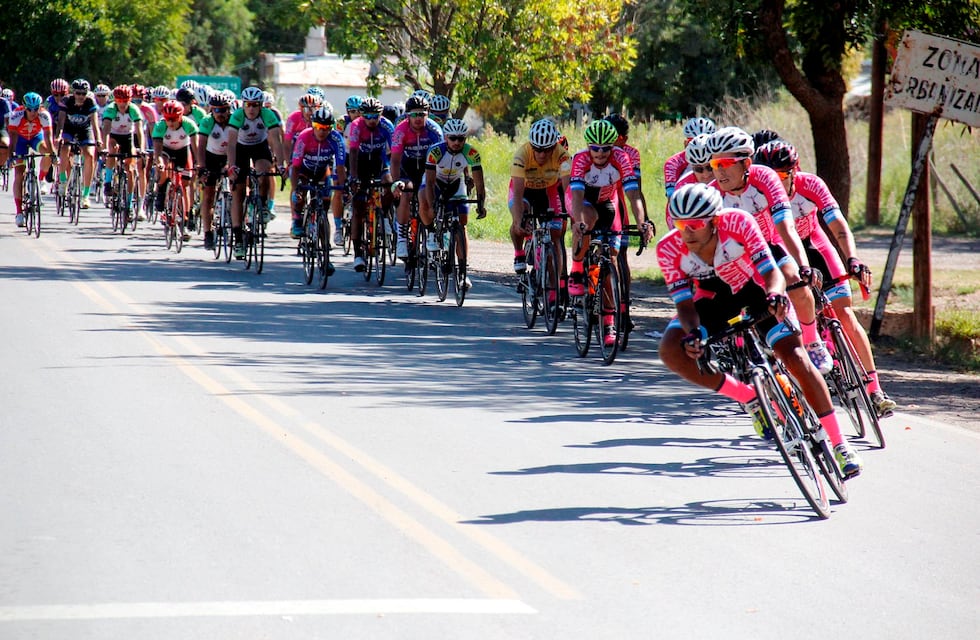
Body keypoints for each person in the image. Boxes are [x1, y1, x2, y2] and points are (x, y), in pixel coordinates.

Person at [657, 183, 863, 478]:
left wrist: (776, 296)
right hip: (711, 303)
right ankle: (748, 397)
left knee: (795, 357)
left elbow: (770, 272)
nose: (686, 232)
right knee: (670, 348)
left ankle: (840, 445)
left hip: (755, 290)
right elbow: (685, 305)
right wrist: (693, 335)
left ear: (714, 221)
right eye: (680, 224)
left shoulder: (739, 222)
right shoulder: (669, 248)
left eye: (694, 224)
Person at [754, 140, 897, 417]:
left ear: (795, 170)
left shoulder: (811, 185)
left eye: (782, 175)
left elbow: (838, 225)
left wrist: (852, 259)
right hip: (781, 252)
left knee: (844, 313)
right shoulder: (757, 195)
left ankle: (875, 390)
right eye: (770, 176)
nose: (776, 182)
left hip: (815, 245)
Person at [706, 126, 833, 375]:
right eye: (714, 163)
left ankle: (812, 340)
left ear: (746, 163)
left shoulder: (764, 177)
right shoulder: (712, 193)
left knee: (795, 279)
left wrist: (803, 264)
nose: (718, 170)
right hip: (739, 258)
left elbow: (786, 227)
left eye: (724, 163)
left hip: (771, 244)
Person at [567, 119, 653, 346]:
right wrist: (577, 222)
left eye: (606, 148)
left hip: (607, 202)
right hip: (582, 201)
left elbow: (634, 195)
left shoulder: (621, 159)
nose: (601, 153)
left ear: (613, 146)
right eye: (596, 148)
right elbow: (576, 197)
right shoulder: (580, 160)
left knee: (611, 261)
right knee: (588, 220)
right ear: (589, 147)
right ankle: (576, 269)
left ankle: (609, 324)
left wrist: (642, 222)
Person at [418, 118, 487, 290]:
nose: (457, 142)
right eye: (453, 138)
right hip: (436, 183)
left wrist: (481, 203)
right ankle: (431, 232)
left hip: (456, 184)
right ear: (446, 137)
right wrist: (433, 203)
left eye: (461, 139)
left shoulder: (471, 153)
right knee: (424, 198)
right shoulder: (435, 151)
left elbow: (479, 182)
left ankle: (463, 273)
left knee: (462, 225)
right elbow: (431, 181)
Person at [508, 118, 571, 289]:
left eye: (547, 150)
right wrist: (519, 217)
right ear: (531, 145)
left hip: (547, 192)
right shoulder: (521, 155)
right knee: (519, 222)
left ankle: (554, 291)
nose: (542, 154)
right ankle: (519, 253)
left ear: (554, 147)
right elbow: (519, 194)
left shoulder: (563, 155)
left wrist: (573, 211)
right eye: (537, 149)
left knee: (556, 235)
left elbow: (568, 190)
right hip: (524, 191)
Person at [225, 86, 286, 259]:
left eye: (255, 105)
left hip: (260, 147)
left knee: (264, 172)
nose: (251, 109)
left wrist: (281, 165)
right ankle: (237, 238)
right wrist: (232, 166)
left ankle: (262, 204)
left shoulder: (268, 115)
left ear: (260, 106)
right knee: (238, 192)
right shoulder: (237, 116)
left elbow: (276, 140)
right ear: (244, 105)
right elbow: (230, 144)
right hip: (241, 149)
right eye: (248, 105)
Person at [289, 105, 346, 267]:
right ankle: (297, 219)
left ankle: (325, 249)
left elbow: (340, 167)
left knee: (323, 207)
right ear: (312, 125)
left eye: (325, 128)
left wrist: (342, 187)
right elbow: (295, 166)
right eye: (318, 127)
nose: (321, 131)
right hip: (304, 171)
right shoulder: (304, 137)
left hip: (322, 171)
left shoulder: (336, 139)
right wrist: (296, 189)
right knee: (299, 193)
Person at [390, 94, 443, 259]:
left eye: (422, 114)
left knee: (429, 196)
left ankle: (433, 232)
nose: (418, 118)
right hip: (408, 167)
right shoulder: (401, 130)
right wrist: (397, 182)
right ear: (407, 116)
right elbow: (395, 161)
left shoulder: (434, 129)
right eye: (414, 114)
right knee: (406, 194)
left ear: (428, 114)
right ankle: (401, 238)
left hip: (430, 168)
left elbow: (442, 157)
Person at [346, 96, 395, 272]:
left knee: (389, 184)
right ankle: (358, 253)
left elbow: (395, 151)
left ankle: (386, 214)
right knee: (358, 208)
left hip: (380, 160)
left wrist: (397, 176)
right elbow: (352, 152)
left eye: (376, 116)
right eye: (368, 116)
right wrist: (353, 177)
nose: (372, 120)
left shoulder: (387, 125)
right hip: (360, 163)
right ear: (362, 115)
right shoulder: (357, 126)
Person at [151, 99, 199, 240]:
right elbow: (158, 153)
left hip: (183, 151)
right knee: (165, 169)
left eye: (173, 119)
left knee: (185, 185)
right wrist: (159, 163)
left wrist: (198, 164)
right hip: (166, 151)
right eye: (168, 119)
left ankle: (186, 215)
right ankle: (161, 190)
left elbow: (195, 148)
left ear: (180, 116)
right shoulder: (160, 126)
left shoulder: (189, 125)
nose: (170, 123)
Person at [7, 92, 56, 226]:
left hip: (36, 137)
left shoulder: (44, 115)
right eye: (30, 109)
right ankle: (19, 212)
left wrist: (53, 155)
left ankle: (40, 179)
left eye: (36, 108)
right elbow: (12, 140)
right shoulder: (15, 116)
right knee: (19, 175)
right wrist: (11, 156)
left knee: (46, 151)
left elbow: (48, 137)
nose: (33, 112)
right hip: (20, 140)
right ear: (24, 107)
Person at [195, 91, 235, 250]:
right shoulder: (207, 121)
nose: (220, 113)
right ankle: (207, 233)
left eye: (223, 110)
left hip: (230, 156)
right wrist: (202, 167)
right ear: (211, 110)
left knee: (240, 187)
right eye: (216, 110)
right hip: (211, 157)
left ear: (229, 109)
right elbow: (201, 146)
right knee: (209, 195)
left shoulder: (234, 120)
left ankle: (243, 221)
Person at [56, 79, 102, 209]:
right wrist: (58, 136)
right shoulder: (66, 101)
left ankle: (86, 195)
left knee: (90, 155)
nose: (81, 96)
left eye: (84, 93)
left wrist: (98, 140)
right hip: (69, 128)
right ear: (73, 92)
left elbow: (94, 124)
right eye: (78, 93)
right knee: (65, 148)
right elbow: (60, 121)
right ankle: (63, 181)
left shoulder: (90, 102)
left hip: (84, 129)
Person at [100, 84, 145, 217]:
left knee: (130, 169)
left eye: (125, 101)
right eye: (119, 101)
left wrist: (141, 148)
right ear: (115, 101)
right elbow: (106, 129)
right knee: (112, 150)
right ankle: (108, 182)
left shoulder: (134, 110)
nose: (122, 104)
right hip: (114, 136)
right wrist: (104, 147)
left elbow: (139, 132)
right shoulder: (110, 109)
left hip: (128, 137)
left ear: (129, 100)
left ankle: (130, 205)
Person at [664, 133, 713, 228]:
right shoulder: (683, 188)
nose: (706, 174)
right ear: (691, 168)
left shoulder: (726, 177)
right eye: (699, 169)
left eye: (710, 167)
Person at [663, 116, 715, 198]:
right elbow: (671, 196)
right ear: (686, 143)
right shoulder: (673, 162)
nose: (700, 144)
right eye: (693, 141)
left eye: (706, 141)